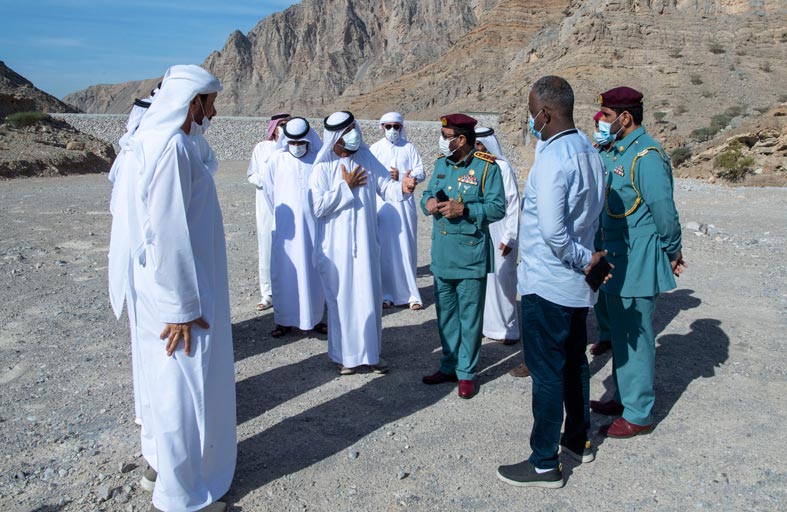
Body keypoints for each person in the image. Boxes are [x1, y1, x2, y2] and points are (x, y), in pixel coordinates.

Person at [107, 64, 235, 512]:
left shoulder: (155, 143)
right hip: (178, 297)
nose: (215, 113)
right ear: (193, 101)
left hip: (159, 290)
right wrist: (181, 307)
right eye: (211, 102)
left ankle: (162, 468)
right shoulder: (171, 148)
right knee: (182, 390)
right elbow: (166, 232)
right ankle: (181, 498)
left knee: (165, 386)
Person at [496, 76, 607, 489]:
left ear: (544, 113)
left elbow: (555, 234)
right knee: (575, 363)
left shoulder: (552, 159)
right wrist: (590, 261)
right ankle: (578, 440)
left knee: (546, 372)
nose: (529, 119)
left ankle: (544, 462)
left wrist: (584, 260)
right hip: (577, 288)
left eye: (530, 112)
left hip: (549, 284)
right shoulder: (589, 151)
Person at [590, 86, 685, 438]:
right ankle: (622, 396)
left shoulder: (646, 155)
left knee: (637, 336)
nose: (603, 122)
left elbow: (664, 209)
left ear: (626, 118)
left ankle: (639, 412)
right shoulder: (616, 152)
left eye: (608, 117)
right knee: (619, 332)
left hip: (640, 257)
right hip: (615, 255)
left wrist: (672, 250)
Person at [309, 111, 417, 375]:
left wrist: (403, 188)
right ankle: (345, 357)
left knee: (368, 298)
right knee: (342, 302)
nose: (352, 134)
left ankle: (371, 355)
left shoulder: (366, 158)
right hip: (336, 250)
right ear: (334, 137)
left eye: (353, 128)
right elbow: (318, 207)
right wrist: (345, 187)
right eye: (346, 131)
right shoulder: (321, 168)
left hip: (367, 245)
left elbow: (385, 188)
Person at [420, 113, 506, 399]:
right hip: (442, 253)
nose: (442, 142)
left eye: (446, 136)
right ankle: (448, 364)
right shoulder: (441, 165)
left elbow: (497, 208)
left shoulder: (486, 168)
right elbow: (426, 195)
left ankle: (466, 373)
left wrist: (465, 210)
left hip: (470, 255)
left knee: (469, 317)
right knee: (445, 315)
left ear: (461, 139)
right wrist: (428, 202)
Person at [261, 117, 327, 337]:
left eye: (301, 142)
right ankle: (284, 320)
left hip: (312, 228)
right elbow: (270, 195)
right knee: (285, 272)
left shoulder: (318, 159)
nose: (297, 147)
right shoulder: (275, 161)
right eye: (293, 143)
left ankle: (315, 318)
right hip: (286, 229)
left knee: (313, 271)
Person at [369, 112, 426, 310]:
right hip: (383, 206)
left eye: (396, 126)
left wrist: (401, 175)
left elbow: (420, 172)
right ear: (381, 127)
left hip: (404, 205)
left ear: (402, 128)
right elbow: (369, 175)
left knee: (406, 247)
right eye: (388, 126)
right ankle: (386, 294)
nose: (392, 130)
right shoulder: (374, 149)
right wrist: (386, 176)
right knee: (384, 250)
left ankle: (411, 295)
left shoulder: (409, 148)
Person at [474, 126, 521, 346]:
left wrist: (510, 236)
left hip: (502, 230)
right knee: (487, 279)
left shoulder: (502, 167)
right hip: (485, 229)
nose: (476, 149)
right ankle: (489, 326)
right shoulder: (477, 168)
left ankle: (508, 330)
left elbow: (513, 204)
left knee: (504, 279)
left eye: (479, 145)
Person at [247, 113, 290, 311]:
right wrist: (266, 181)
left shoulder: (293, 148)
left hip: (288, 204)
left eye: (288, 124)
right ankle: (268, 293)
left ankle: (290, 289)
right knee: (266, 246)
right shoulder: (261, 148)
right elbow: (251, 174)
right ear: (274, 127)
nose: (285, 127)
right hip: (266, 206)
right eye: (282, 124)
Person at [589, 110, 614, 357]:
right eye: (596, 125)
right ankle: (606, 333)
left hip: (618, 231)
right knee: (599, 285)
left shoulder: (628, 155)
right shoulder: (596, 153)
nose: (597, 129)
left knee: (616, 285)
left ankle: (618, 332)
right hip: (597, 230)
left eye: (601, 124)